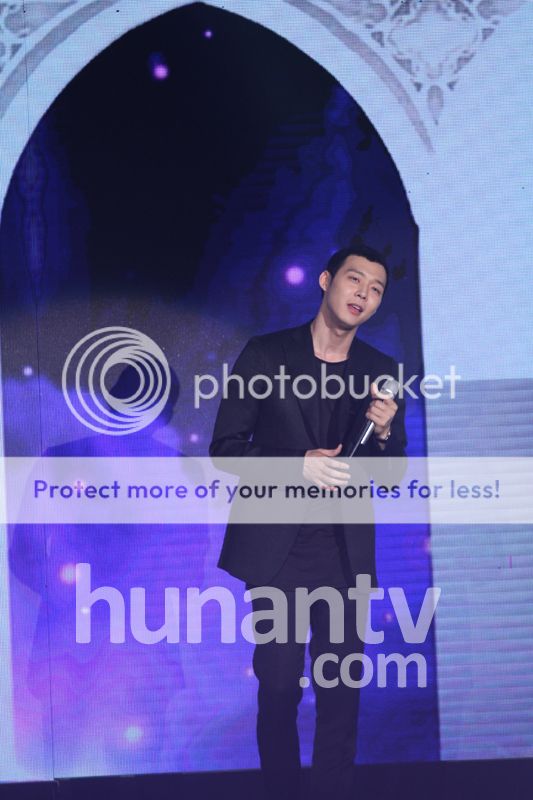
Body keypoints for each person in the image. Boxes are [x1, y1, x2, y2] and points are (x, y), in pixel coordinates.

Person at [209, 243, 407, 799]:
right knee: (278, 691)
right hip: (277, 553)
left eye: (375, 289)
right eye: (354, 279)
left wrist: (385, 433)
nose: (363, 294)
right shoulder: (265, 355)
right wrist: (298, 464)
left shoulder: (381, 373)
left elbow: (392, 478)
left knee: (340, 692)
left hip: (343, 555)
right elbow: (224, 449)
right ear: (326, 281)